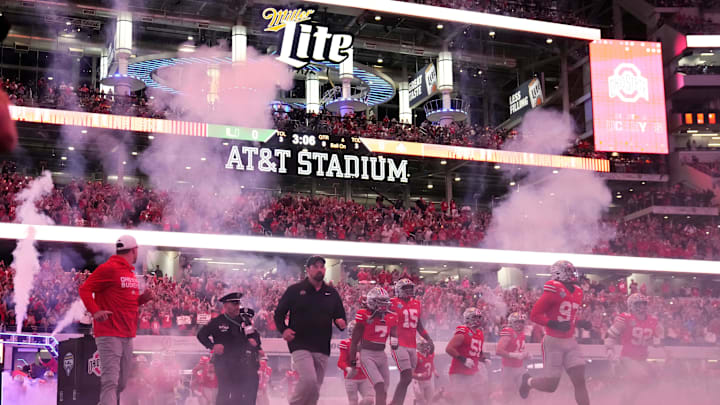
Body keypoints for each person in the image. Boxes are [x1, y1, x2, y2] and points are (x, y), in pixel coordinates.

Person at [78, 234, 153, 405]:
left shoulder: (129, 272)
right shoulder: (109, 268)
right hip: (109, 332)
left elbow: (128, 303)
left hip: (127, 334)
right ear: (134, 250)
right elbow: (85, 289)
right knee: (110, 381)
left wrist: (142, 299)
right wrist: (95, 311)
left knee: (122, 381)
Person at [274, 255, 347, 405]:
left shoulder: (332, 293)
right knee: (309, 380)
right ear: (308, 270)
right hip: (300, 343)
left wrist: (340, 322)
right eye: (316, 267)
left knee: (315, 388)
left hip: (322, 345)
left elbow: (340, 316)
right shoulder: (295, 290)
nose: (320, 270)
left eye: (322, 267)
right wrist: (284, 330)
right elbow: (278, 314)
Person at [519, 260, 590, 405]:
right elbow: (534, 315)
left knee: (580, 381)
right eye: (568, 271)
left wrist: (580, 322)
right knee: (551, 386)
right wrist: (553, 324)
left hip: (570, 341)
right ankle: (528, 381)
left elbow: (568, 317)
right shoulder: (554, 289)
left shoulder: (577, 291)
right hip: (553, 341)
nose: (573, 274)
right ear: (559, 273)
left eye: (572, 271)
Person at [197, 292, 263, 405]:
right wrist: (212, 346)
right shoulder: (217, 321)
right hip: (224, 363)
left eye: (238, 304)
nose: (238, 307)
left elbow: (254, 335)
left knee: (238, 392)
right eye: (234, 304)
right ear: (226, 305)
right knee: (225, 392)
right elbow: (201, 335)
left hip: (241, 363)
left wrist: (255, 342)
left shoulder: (245, 321)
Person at [604, 293, 664, 402]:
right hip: (627, 358)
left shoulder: (653, 320)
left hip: (642, 359)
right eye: (639, 304)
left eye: (644, 304)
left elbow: (659, 337)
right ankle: (626, 398)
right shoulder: (625, 318)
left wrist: (658, 339)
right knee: (642, 376)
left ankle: (628, 399)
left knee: (654, 379)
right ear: (631, 305)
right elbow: (610, 335)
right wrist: (610, 351)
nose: (643, 307)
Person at [347, 287, 398, 405]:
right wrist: (353, 361)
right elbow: (354, 340)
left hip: (382, 355)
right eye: (380, 302)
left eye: (385, 301)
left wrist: (395, 342)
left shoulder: (392, 316)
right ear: (372, 302)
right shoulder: (363, 314)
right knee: (379, 385)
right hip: (367, 354)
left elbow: (394, 338)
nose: (384, 305)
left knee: (384, 388)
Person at [389, 278, 434, 405]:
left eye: (410, 288)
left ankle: (395, 402)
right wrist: (392, 337)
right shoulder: (392, 302)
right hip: (399, 344)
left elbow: (418, 325)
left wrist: (428, 339)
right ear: (398, 290)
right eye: (405, 289)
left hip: (412, 345)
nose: (409, 291)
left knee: (406, 379)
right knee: (407, 377)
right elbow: (385, 320)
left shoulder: (416, 303)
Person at [445, 307, 491, 405]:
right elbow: (449, 349)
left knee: (480, 400)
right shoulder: (463, 332)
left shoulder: (479, 333)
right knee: (458, 401)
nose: (478, 320)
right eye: (475, 317)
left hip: (472, 373)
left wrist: (484, 359)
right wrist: (463, 359)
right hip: (459, 372)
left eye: (479, 317)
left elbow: (477, 351)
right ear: (468, 318)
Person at [496, 312, 530, 402]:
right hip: (508, 369)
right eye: (517, 322)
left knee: (526, 393)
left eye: (522, 322)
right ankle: (495, 399)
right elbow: (498, 350)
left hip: (520, 368)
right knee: (508, 395)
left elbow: (518, 350)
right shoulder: (508, 332)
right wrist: (514, 355)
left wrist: (525, 355)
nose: (520, 324)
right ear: (511, 322)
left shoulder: (522, 334)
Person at [338, 321, 374, 405]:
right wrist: (348, 369)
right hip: (351, 378)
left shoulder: (366, 343)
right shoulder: (346, 343)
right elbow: (340, 362)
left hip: (364, 377)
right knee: (353, 402)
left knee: (369, 400)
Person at [412, 339, 435, 405]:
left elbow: (431, 362)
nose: (425, 347)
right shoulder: (415, 356)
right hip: (418, 381)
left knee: (430, 400)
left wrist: (434, 370)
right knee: (421, 401)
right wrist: (419, 375)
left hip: (428, 380)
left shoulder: (431, 354)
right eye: (422, 345)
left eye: (425, 345)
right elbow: (410, 373)